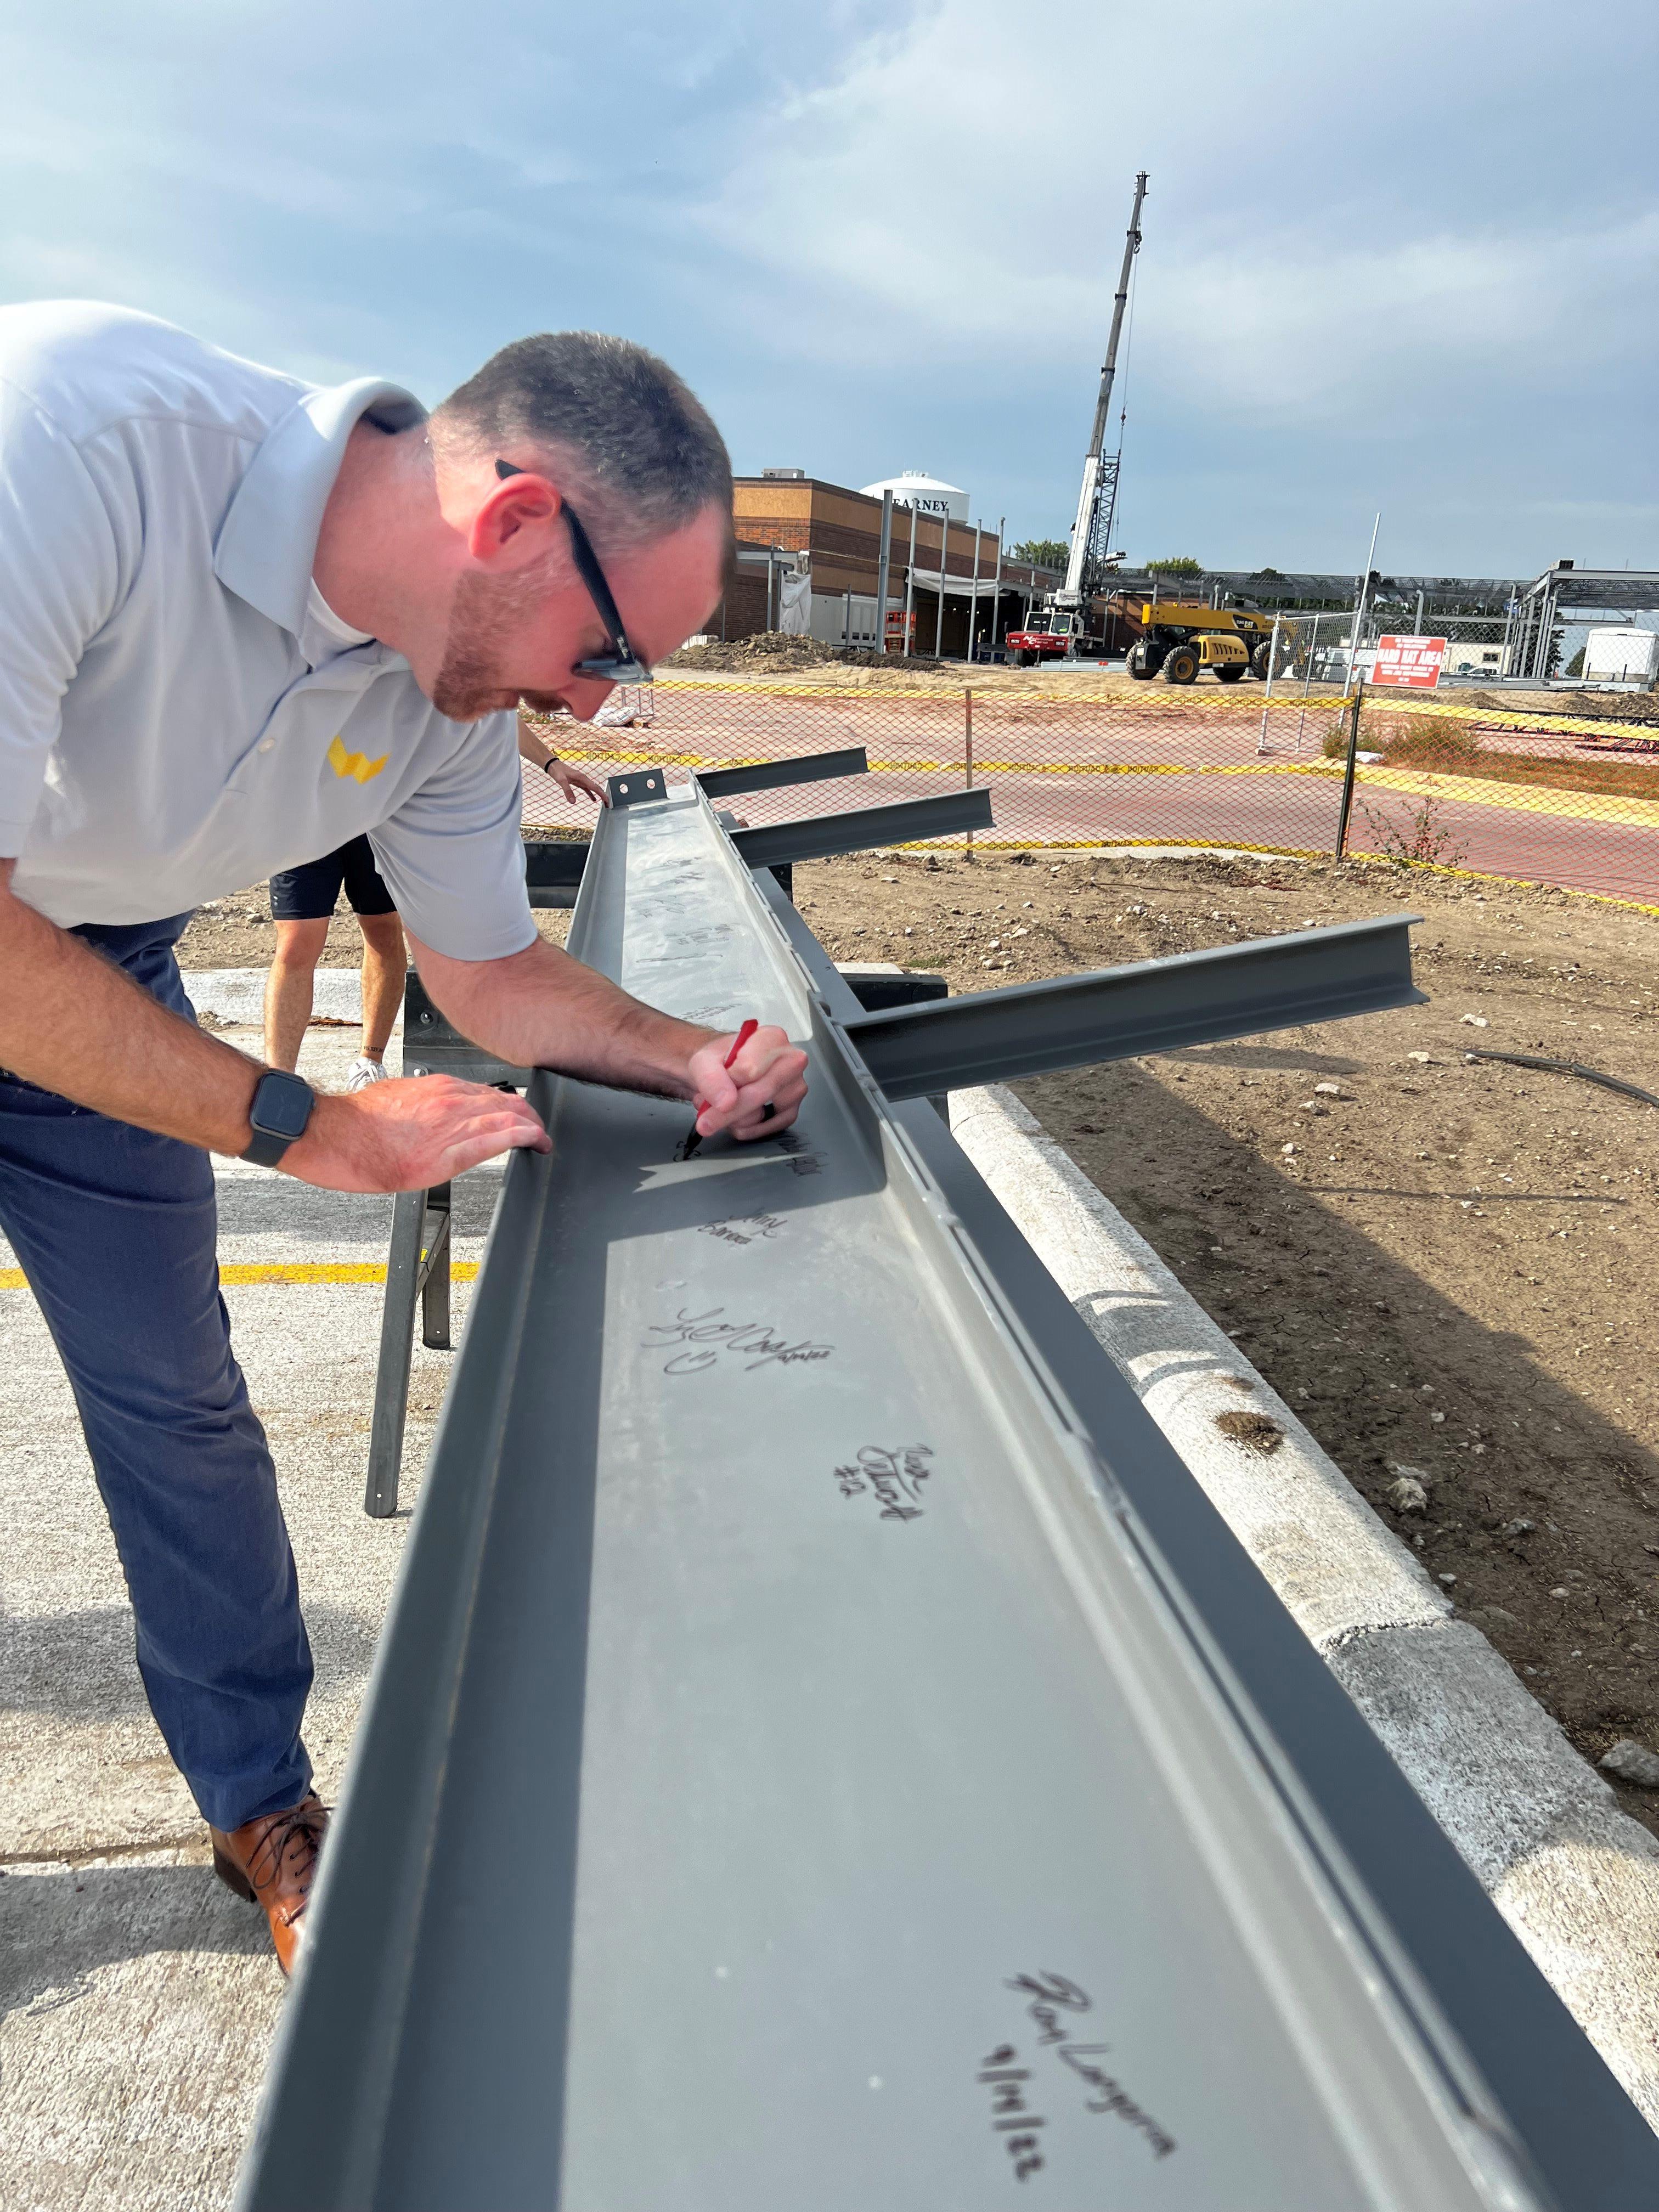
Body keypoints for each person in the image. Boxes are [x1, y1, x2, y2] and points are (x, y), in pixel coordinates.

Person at [0, 300, 807, 1977]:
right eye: (609, 656)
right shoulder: (71, 443)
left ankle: (258, 1806)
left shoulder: (442, 697)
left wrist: (689, 1060)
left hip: (87, 964)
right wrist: (308, 1123)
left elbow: (490, 969)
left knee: (177, 1398)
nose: (588, 711)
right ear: (515, 521)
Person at [263, 725, 603, 1089]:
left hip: (380, 813)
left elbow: (492, 705)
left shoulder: (404, 671)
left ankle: (369, 1061)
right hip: (305, 814)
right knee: (297, 942)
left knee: (381, 930)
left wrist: (551, 763)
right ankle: (279, 1079)